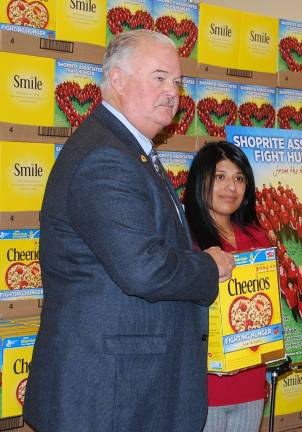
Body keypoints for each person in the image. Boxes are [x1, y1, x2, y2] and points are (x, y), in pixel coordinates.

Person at [23, 30, 235, 432]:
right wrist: (207, 267)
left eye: (176, 81)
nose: (172, 92)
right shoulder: (106, 157)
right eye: (159, 77)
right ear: (116, 81)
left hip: (127, 386)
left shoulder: (126, 149)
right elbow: (143, 268)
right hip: (109, 392)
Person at [184, 141, 271, 432]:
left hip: (250, 379)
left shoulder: (258, 238)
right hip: (201, 382)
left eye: (239, 178)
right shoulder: (184, 237)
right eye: (220, 176)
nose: (230, 187)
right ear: (201, 179)